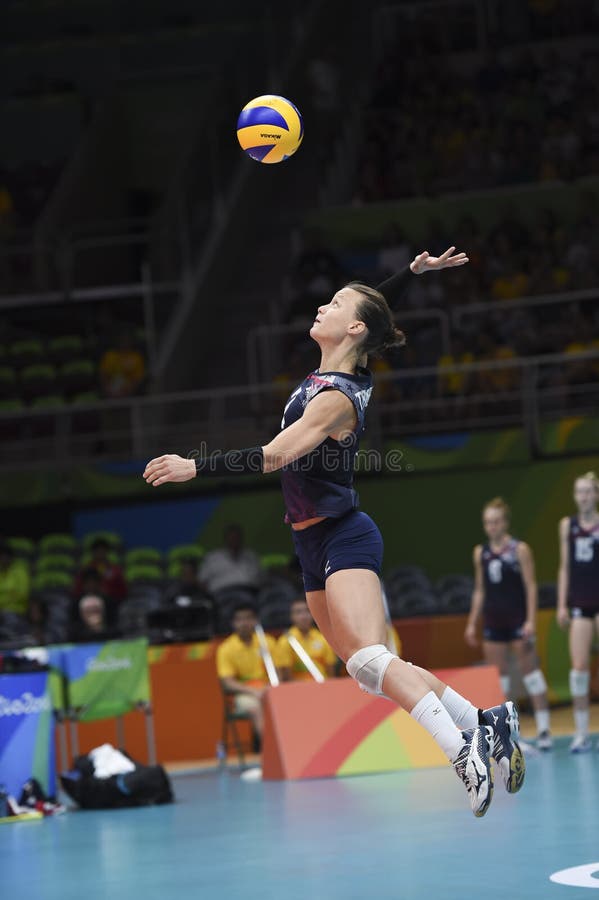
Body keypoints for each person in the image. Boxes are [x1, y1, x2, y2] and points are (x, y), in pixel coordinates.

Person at [143, 246, 525, 818]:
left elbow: (273, 457)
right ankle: (485, 721)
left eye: (334, 303)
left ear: (351, 328)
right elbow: (371, 317)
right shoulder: (346, 365)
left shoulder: (336, 398)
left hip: (346, 534)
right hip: (310, 544)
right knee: (367, 672)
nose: (322, 306)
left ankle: (460, 749)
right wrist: (411, 275)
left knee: (373, 659)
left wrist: (195, 466)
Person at [465, 497, 552, 751]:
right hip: (494, 621)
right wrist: (472, 623)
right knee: (500, 681)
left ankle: (544, 730)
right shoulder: (480, 552)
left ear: (504, 522)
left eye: (495, 521)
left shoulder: (520, 550)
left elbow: (530, 586)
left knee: (531, 675)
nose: (491, 526)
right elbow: (480, 589)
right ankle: (509, 736)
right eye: (487, 523)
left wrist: (531, 621)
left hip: (517, 620)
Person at [557, 471, 599, 753]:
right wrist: (561, 604)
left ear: (596, 494)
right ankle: (582, 733)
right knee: (579, 669)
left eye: (588, 491)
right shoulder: (567, 526)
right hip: (579, 603)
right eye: (579, 491)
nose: (583, 496)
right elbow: (565, 567)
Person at [215, 603, 276, 743]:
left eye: (248, 618)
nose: (244, 623)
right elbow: (227, 683)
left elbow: (278, 673)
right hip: (245, 693)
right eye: (240, 619)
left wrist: (271, 688)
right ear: (233, 623)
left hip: (269, 688)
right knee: (255, 708)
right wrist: (253, 691)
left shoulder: (268, 642)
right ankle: (272, 751)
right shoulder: (226, 648)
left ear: (255, 621)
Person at [276, 597, 337, 681]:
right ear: (292, 617)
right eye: (298, 612)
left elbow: (331, 673)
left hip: (323, 686)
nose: (304, 616)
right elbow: (287, 679)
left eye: (307, 611)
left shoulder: (323, 638)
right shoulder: (285, 641)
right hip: (298, 689)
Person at [198, 524, 262, 600]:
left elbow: (262, 578)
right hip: (222, 594)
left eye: (237, 537)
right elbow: (202, 581)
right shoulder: (213, 557)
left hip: (250, 593)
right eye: (232, 537)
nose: (234, 539)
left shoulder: (251, 556)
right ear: (225, 539)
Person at [0, 540, 30, 618]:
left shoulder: (20, 571)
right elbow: (14, 594)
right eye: (1, 556)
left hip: (16, 611)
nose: (3, 559)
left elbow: (22, 594)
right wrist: (10, 595)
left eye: (6, 556)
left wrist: (3, 601)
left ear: (11, 557)